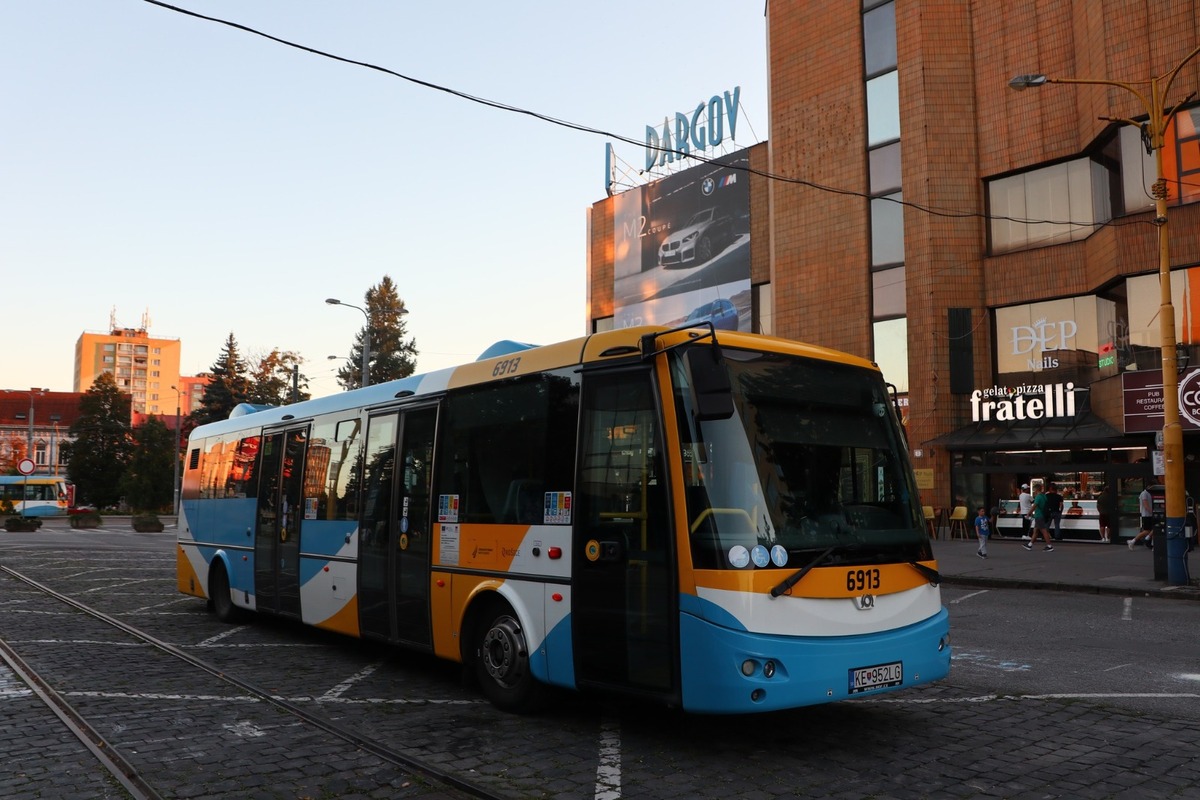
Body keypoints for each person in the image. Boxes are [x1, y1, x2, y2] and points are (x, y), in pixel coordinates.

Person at [1023, 484, 1054, 552]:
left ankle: (1049, 546)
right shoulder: (1044, 496)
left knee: (1044, 531)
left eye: (1034, 489)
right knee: (1036, 531)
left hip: (1039, 515)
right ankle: (1030, 544)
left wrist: (1028, 514)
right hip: (1043, 515)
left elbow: (1034, 506)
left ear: (1036, 489)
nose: (1034, 491)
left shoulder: (1038, 497)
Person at [1128, 483, 1155, 549]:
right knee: (1147, 530)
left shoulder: (1150, 493)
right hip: (1146, 515)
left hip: (1149, 514)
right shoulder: (1144, 494)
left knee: (1153, 529)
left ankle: (1149, 540)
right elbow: (1146, 505)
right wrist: (1152, 512)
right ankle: (1134, 541)